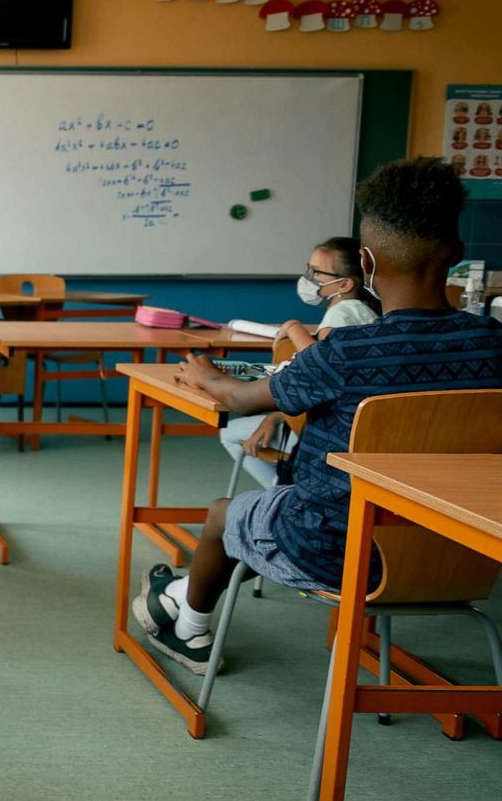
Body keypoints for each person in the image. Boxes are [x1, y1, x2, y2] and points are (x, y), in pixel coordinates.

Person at [135, 158, 502, 674]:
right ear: (458, 258)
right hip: (463, 550)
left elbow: (241, 400)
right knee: (267, 509)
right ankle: (174, 595)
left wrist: (203, 374)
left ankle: (187, 625)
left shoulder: (345, 351)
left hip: (331, 548)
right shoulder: (493, 344)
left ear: (366, 266)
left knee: (224, 513)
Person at [220, 236, 379, 488]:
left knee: (228, 433)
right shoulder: (364, 311)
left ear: (345, 283)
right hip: (354, 430)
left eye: (316, 272)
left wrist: (294, 328)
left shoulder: (341, 312)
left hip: (325, 433)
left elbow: (318, 361)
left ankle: (278, 492)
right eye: (308, 269)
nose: (308, 278)